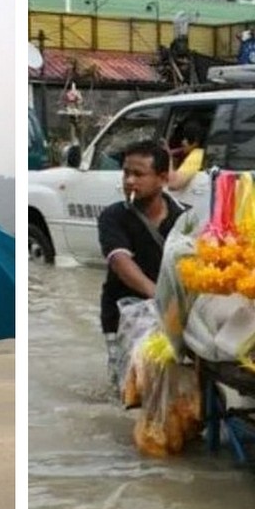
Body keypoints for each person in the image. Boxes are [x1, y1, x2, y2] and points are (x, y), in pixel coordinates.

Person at [97, 139, 187, 390]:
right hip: (122, 314)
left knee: (170, 384)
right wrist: (160, 296)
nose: (129, 181)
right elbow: (120, 262)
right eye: (126, 173)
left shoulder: (184, 218)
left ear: (162, 178)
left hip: (170, 317)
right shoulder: (114, 217)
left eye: (138, 174)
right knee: (129, 388)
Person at [167, 122, 205, 191]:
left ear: (195, 141)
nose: (182, 142)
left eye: (186, 139)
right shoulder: (200, 153)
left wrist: (168, 157)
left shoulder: (196, 156)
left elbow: (173, 184)